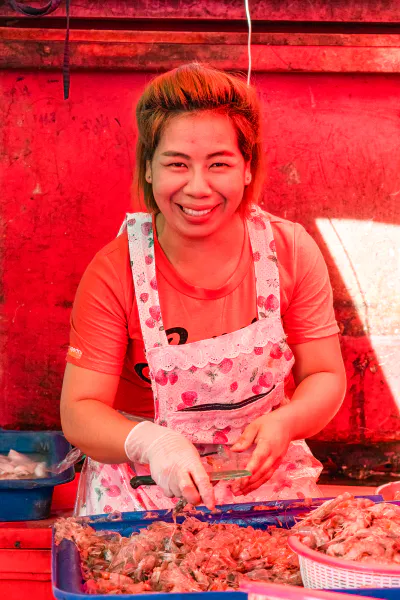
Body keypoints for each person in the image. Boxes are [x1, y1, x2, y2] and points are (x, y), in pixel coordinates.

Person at [60, 63, 346, 515]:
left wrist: (286, 422)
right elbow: (79, 411)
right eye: (177, 164)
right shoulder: (115, 271)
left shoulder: (289, 251)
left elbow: (326, 375)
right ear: (149, 171)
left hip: (265, 487)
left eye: (219, 164)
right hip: (142, 493)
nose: (198, 188)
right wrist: (155, 445)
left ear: (247, 168)